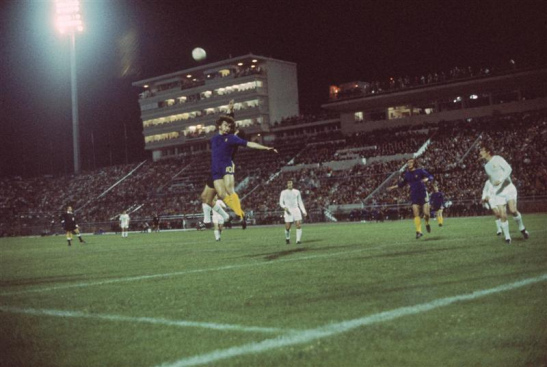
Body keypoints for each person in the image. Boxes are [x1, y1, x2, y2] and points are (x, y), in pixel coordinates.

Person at [210, 106, 278, 226]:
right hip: (216, 167)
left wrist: (266, 147)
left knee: (230, 189)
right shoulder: (216, 137)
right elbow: (228, 121)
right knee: (221, 193)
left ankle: (238, 214)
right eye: (226, 126)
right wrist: (231, 111)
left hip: (227, 164)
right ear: (220, 126)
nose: (229, 128)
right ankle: (240, 212)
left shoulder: (232, 138)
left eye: (231, 128)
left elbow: (250, 144)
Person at [479, 144, 529, 244]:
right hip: (498, 192)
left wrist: (501, 180)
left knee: (513, 210)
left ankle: (522, 228)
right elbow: (491, 181)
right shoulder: (486, 166)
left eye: (482, 151)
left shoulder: (498, 158)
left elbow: (509, 169)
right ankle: (507, 238)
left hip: (508, 187)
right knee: (502, 214)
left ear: (488, 152)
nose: (480, 153)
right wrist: (489, 194)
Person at [387, 158, 434, 239]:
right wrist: (392, 187)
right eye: (408, 162)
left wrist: (427, 179)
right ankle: (419, 231)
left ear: (414, 163)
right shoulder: (407, 174)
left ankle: (427, 223)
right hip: (414, 195)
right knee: (416, 213)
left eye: (411, 162)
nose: (409, 163)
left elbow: (431, 176)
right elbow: (402, 184)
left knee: (426, 214)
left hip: (423, 193)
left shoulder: (420, 171)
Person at [279, 180, 307, 244]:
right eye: (288, 183)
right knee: (288, 226)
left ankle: (298, 240)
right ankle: (287, 238)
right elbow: (280, 202)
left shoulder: (297, 192)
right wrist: (284, 207)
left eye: (291, 183)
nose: (290, 185)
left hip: (296, 209)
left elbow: (300, 202)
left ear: (292, 184)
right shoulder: (283, 192)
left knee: (298, 225)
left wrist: (304, 211)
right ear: (287, 184)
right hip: (288, 210)